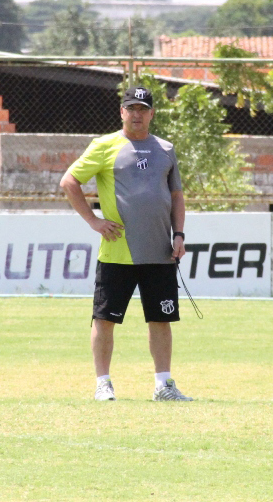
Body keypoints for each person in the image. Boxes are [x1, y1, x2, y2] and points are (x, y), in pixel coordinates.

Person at [59, 85, 192, 402]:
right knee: (105, 320)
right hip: (117, 253)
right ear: (122, 112)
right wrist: (94, 221)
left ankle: (164, 386)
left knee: (161, 320)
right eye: (131, 108)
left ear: (151, 114)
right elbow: (69, 181)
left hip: (159, 253)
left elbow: (176, 195)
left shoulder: (165, 149)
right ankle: (103, 383)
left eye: (143, 109)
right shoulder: (104, 145)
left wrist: (179, 235)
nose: (137, 114)